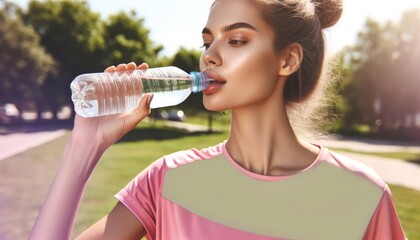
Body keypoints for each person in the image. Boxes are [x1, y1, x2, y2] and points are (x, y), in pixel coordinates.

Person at [30, 0, 407, 239]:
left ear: (287, 60)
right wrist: (84, 146)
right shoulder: (166, 180)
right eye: (206, 41)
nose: (209, 56)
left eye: (237, 40)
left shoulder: (362, 196)